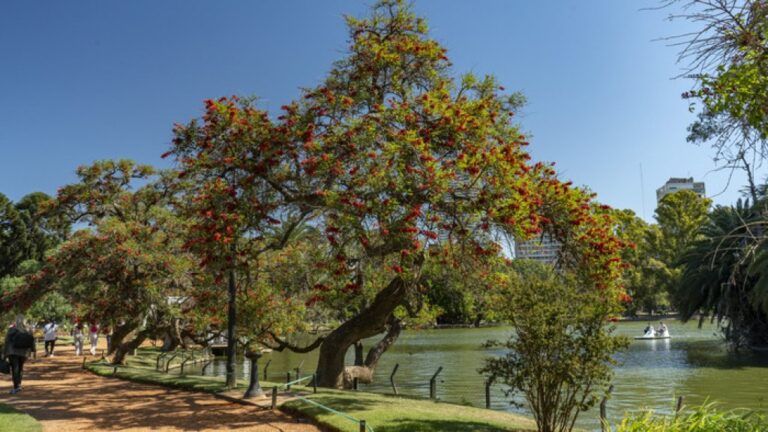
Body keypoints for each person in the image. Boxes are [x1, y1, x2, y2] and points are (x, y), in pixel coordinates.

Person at [3, 314, 35, 394]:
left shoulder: (12, 329)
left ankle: (16, 387)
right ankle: (19, 385)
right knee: (20, 368)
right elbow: (32, 341)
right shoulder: (28, 329)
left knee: (15, 369)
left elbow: (6, 342)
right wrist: (34, 351)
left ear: (16, 321)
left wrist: (4, 353)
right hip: (24, 352)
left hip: (13, 352)